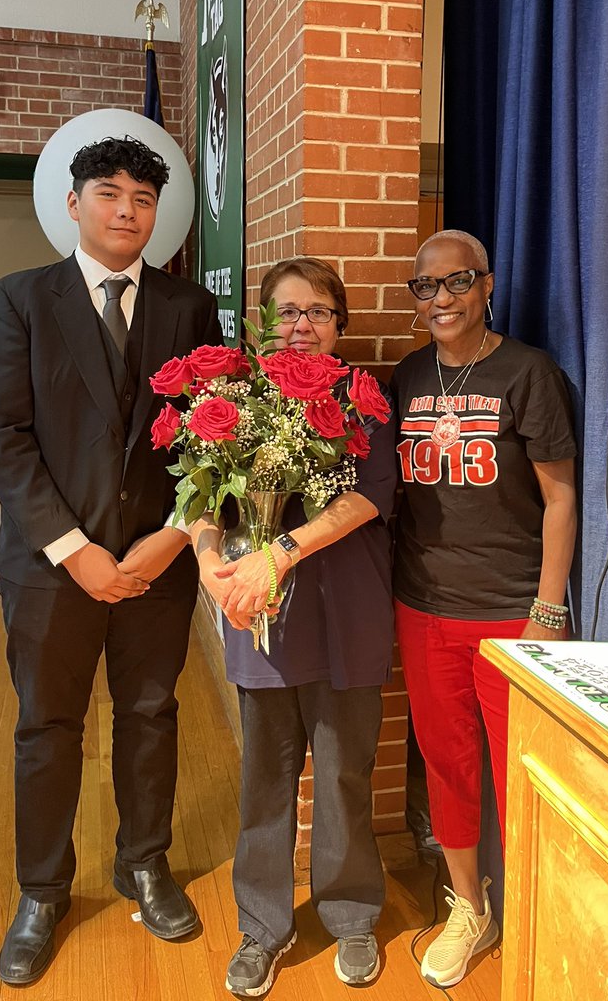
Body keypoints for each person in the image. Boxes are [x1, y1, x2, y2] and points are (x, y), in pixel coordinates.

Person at [0, 135, 223, 986]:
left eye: (144, 199)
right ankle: (43, 890)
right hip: (52, 568)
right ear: (73, 204)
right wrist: (76, 550)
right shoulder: (20, 300)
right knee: (48, 727)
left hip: (158, 561)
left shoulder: (188, 308)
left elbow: (211, 436)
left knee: (150, 715)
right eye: (110, 193)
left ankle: (143, 863)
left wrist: (171, 537)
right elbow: (1, 437)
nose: (127, 211)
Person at [191, 257, 397, 996]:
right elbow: (198, 497)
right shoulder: (231, 400)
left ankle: (349, 916)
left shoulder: (366, 398)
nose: (303, 324)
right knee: (265, 781)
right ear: (261, 323)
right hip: (263, 617)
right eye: (287, 311)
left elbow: (371, 496)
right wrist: (213, 562)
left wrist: (280, 553)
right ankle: (263, 927)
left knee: (343, 776)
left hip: (348, 613)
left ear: (340, 326)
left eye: (319, 311)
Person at [392, 230, 577, 989]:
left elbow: (560, 496)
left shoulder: (527, 371)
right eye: (426, 287)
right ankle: (471, 906)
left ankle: (543, 905)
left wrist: (548, 609)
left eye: (456, 282)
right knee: (449, 765)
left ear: (488, 284)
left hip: (511, 612)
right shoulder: (406, 376)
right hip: (425, 605)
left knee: (524, 772)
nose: (441, 298)